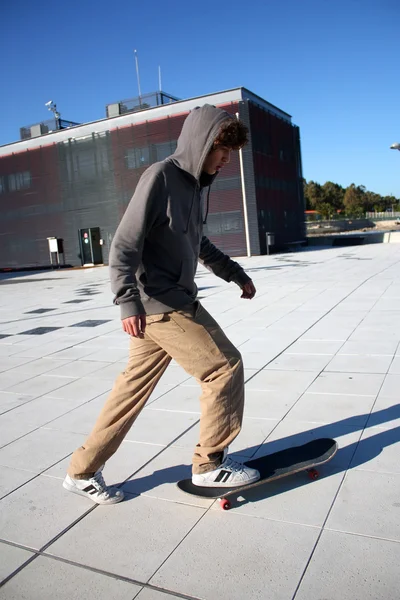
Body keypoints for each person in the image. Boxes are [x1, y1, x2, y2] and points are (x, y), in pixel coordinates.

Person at [63, 104, 260, 505]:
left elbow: (197, 243)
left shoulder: (194, 188)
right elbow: (124, 244)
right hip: (161, 304)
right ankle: (210, 466)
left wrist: (235, 274)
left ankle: (81, 471)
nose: (225, 161)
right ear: (202, 143)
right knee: (223, 367)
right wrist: (127, 302)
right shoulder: (161, 178)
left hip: (170, 300)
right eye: (222, 152)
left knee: (129, 391)